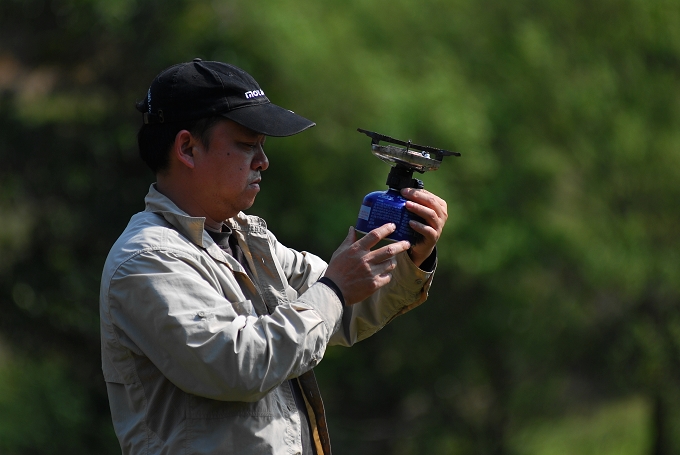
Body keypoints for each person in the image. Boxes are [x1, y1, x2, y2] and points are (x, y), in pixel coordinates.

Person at [100, 58, 447, 455]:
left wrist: (411, 256)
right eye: (248, 145)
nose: (263, 161)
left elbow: (346, 308)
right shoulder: (147, 259)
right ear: (187, 148)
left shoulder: (248, 239)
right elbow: (237, 365)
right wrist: (335, 289)